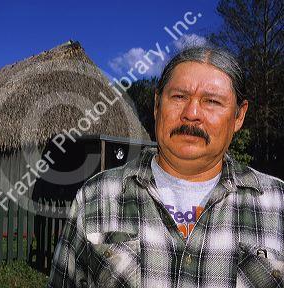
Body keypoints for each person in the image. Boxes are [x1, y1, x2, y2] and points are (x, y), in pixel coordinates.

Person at [47, 46, 284, 288]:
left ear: (238, 116)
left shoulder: (278, 203)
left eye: (212, 101)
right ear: (157, 105)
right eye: (179, 97)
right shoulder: (96, 197)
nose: (192, 114)